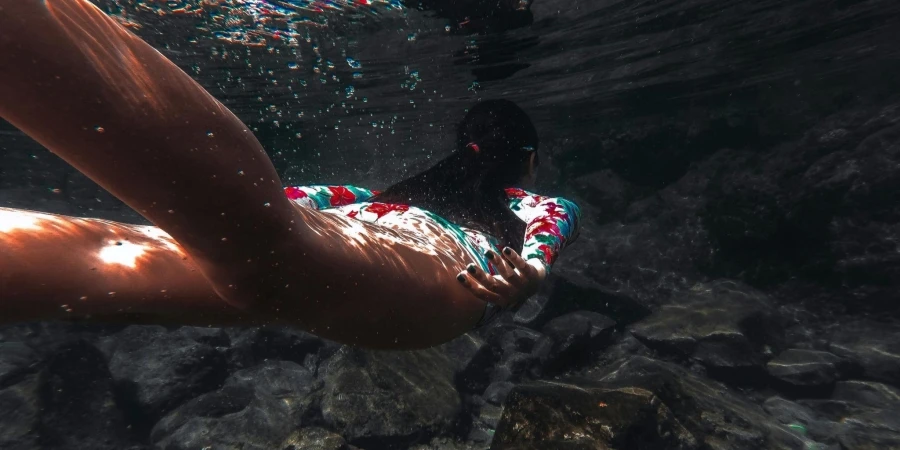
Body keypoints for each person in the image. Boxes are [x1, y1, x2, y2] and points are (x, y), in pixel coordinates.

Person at [0, 0, 579, 349]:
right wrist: (526, 277)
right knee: (117, 267)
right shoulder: (530, 204)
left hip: (370, 248)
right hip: (434, 283)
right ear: (527, 159)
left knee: (130, 252)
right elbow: (546, 236)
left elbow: (290, 196)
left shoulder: (367, 195)